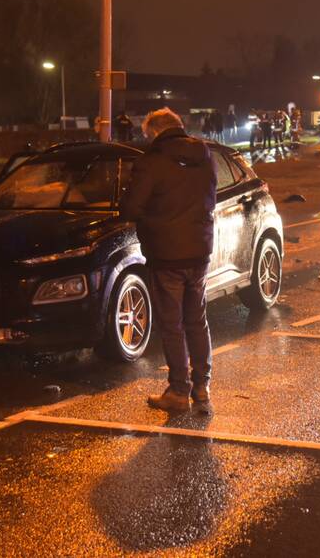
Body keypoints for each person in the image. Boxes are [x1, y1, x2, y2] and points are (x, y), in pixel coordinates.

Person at [120, 107, 218, 415]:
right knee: (196, 319)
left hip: (166, 254)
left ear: (154, 132)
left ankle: (178, 391)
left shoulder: (152, 162)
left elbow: (131, 208)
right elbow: (210, 198)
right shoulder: (206, 157)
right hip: (199, 250)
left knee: (172, 325)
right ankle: (201, 386)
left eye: (147, 134)